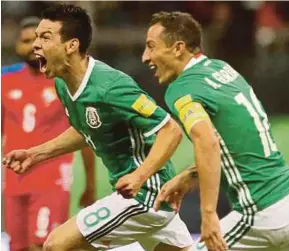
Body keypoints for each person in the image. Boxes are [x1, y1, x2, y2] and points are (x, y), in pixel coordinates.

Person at [3, 5, 193, 251]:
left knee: (56, 245)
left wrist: (139, 176)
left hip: (145, 195)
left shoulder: (110, 86)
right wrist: (35, 154)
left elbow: (170, 130)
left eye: (45, 37)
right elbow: (85, 129)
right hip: (142, 199)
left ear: (71, 45)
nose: (35, 45)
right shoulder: (63, 84)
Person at [142, 11, 289, 251]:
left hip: (260, 212)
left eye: (151, 47)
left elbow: (207, 143)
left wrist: (208, 214)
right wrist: (188, 176)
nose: (145, 57)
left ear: (178, 48)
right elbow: (233, 142)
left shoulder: (181, 89)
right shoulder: (221, 69)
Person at [1, 17, 96, 251]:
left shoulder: (65, 81)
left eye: (39, 39)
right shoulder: (5, 80)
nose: (33, 46)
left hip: (50, 178)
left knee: (44, 244)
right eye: (25, 40)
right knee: (18, 246)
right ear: (16, 45)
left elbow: (83, 134)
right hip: (14, 180)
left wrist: (90, 183)